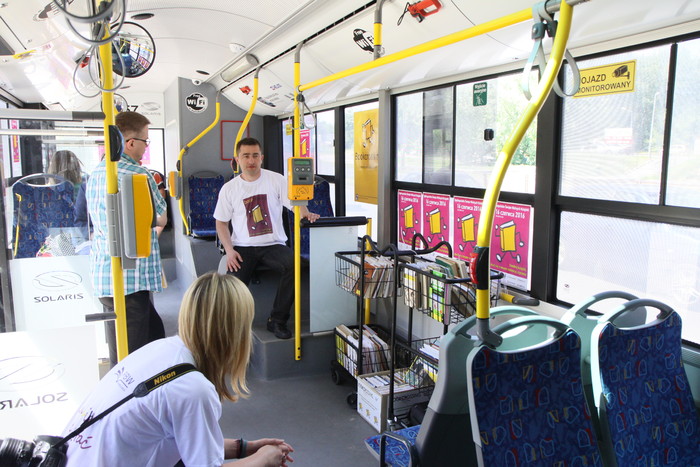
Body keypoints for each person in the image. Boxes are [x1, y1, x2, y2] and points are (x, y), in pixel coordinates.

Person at [62, 272, 295, 467]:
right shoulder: (193, 388)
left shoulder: (161, 350)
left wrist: (242, 448)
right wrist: (264, 459)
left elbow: (180, 436)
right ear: (235, 331)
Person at [214, 137, 319, 340]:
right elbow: (221, 223)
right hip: (242, 246)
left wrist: (306, 213)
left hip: (273, 245)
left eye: (255, 155)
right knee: (231, 285)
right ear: (237, 159)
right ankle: (233, 328)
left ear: (262, 158)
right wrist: (229, 250)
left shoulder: (276, 179)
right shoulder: (230, 189)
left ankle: (277, 320)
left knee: (295, 265)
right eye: (246, 156)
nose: (251, 160)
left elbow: (295, 203)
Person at [86, 111, 167, 366]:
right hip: (131, 280)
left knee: (146, 340)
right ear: (130, 142)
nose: (146, 147)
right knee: (130, 360)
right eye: (145, 141)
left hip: (106, 275)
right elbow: (160, 217)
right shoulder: (138, 174)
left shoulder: (97, 173)